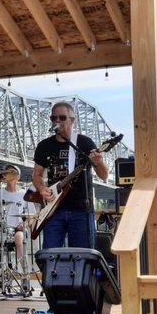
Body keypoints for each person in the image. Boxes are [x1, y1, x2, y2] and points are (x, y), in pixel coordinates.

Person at [32, 101, 108, 249]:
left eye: (62, 117)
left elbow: (104, 176)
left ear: (72, 120)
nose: (57, 121)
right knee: (50, 254)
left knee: (82, 256)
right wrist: (42, 189)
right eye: (53, 118)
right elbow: (37, 175)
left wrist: (99, 161)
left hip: (81, 210)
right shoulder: (44, 146)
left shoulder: (84, 143)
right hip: (54, 210)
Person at [0, 164, 36, 292]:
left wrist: (24, 224)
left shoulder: (25, 194)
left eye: (12, 172)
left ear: (18, 176)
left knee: (18, 237)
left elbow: (31, 217)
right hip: (2, 230)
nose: (9, 174)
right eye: (7, 172)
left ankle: (24, 273)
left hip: (19, 229)